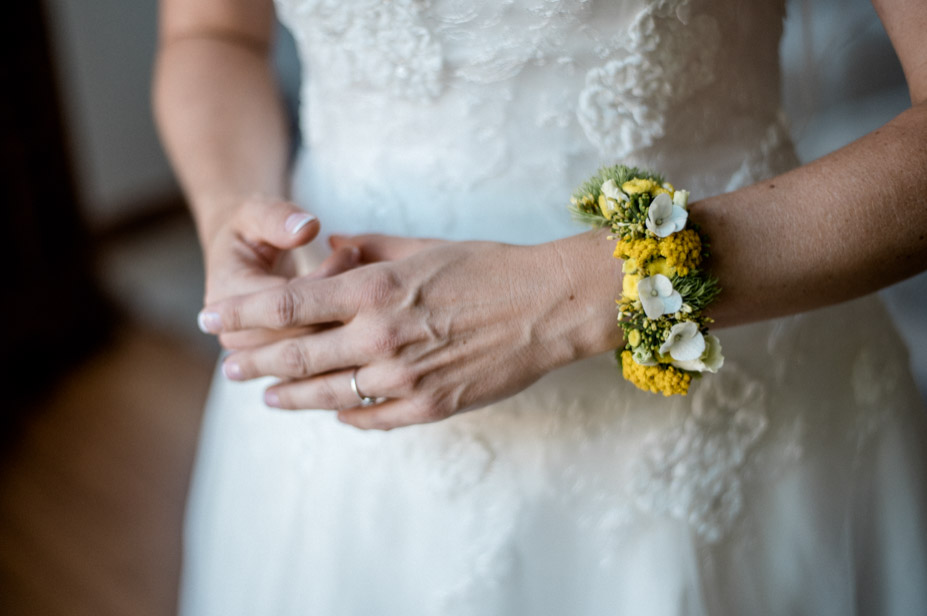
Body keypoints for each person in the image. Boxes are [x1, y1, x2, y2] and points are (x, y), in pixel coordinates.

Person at [154, 0, 927, 613]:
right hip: (339, 403)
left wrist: (568, 302)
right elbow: (212, 33)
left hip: (732, 411)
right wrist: (230, 215)